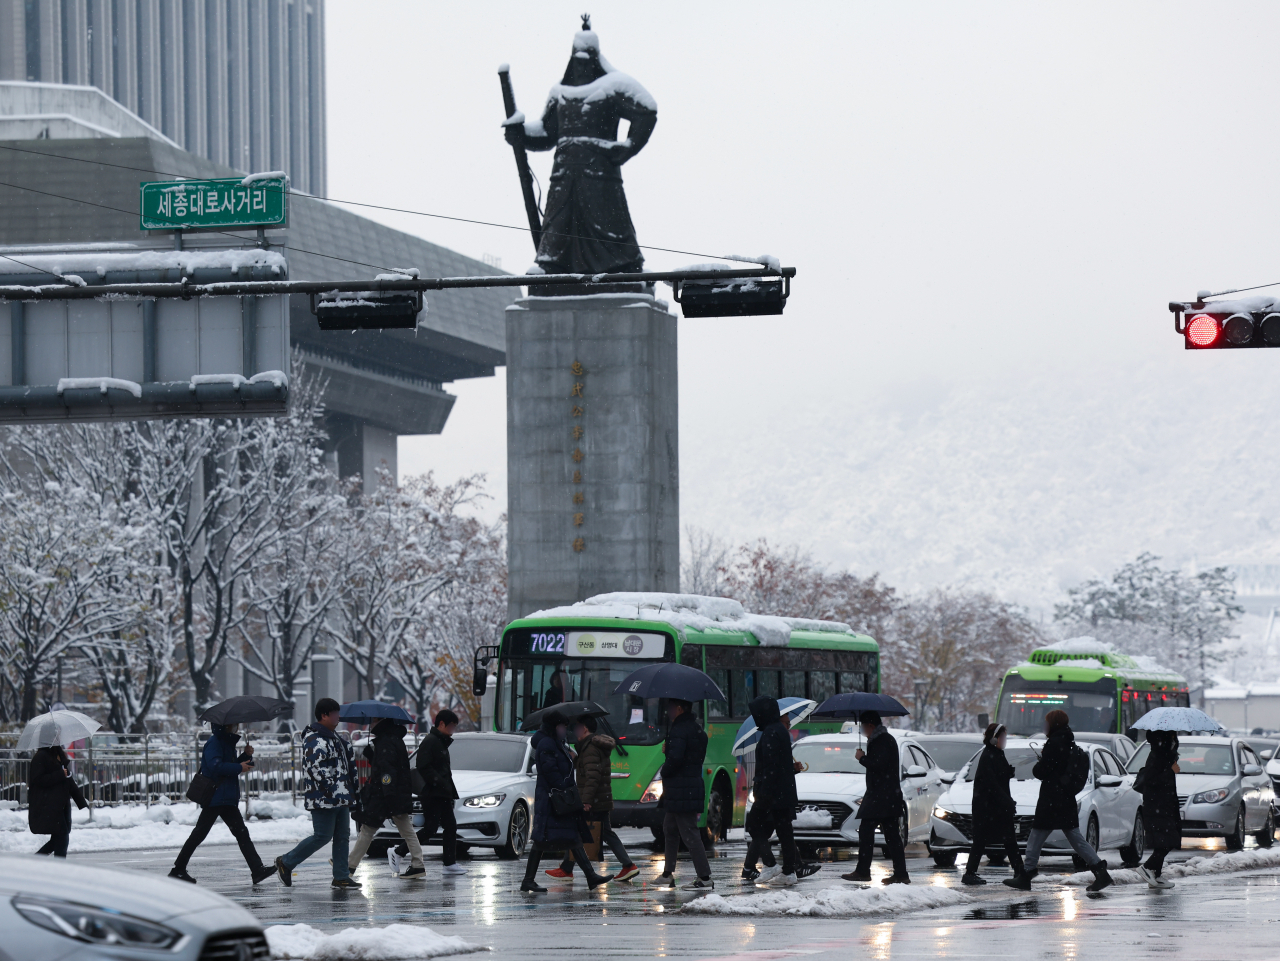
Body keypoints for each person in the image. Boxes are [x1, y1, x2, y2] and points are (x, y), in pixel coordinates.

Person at [1004, 709, 1112, 892]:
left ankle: (1026, 874)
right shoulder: (1069, 742)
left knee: (1036, 836)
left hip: (1052, 800)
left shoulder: (1054, 744)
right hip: (1065, 798)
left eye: (1046, 723)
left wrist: (1039, 765)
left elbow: (1041, 771)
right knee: (1076, 839)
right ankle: (1100, 872)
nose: (1044, 726)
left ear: (1053, 724)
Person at [521, 710, 614, 893]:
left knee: (571, 837)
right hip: (554, 799)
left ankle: (590, 876)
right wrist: (565, 786)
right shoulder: (547, 744)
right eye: (562, 726)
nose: (565, 730)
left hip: (559, 798)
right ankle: (528, 880)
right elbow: (551, 772)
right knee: (545, 839)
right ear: (555, 727)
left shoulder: (556, 743)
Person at [169, 724, 274, 884]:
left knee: (241, 833)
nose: (236, 727)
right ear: (226, 726)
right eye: (234, 725)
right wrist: (239, 766)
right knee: (200, 833)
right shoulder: (214, 743)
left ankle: (257, 870)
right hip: (216, 796)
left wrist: (245, 757)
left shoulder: (226, 742)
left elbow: (229, 765)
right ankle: (178, 869)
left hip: (226, 797)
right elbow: (215, 766)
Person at [275, 698, 360, 889]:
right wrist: (331, 789)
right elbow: (315, 768)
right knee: (322, 836)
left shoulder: (334, 737)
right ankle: (286, 862)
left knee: (342, 836)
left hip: (341, 797)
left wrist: (349, 791)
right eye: (335, 714)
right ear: (324, 715)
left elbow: (342, 766)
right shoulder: (315, 739)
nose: (338, 717)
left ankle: (341, 876)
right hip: (324, 798)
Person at [545, 715, 639, 883]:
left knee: (575, 831)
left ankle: (567, 869)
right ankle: (628, 865)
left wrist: (586, 801)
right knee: (605, 833)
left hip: (594, 801)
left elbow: (593, 777)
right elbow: (588, 770)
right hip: (599, 800)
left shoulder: (590, 748)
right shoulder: (590, 747)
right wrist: (575, 758)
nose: (575, 730)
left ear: (585, 729)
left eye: (578, 727)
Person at [743, 696, 817, 885]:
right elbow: (780, 765)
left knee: (753, 826)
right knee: (785, 832)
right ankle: (789, 872)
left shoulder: (770, 733)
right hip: (783, 792)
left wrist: (764, 795)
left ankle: (770, 864)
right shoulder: (780, 731)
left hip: (771, 793)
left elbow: (771, 767)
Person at [349, 716, 424, 879]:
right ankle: (418, 864)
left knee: (368, 829)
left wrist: (388, 795)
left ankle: (349, 865)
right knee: (406, 830)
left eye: (374, 720)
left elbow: (388, 771)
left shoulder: (385, 742)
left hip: (385, 795)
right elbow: (389, 765)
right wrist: (372, 757)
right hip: (394, 793)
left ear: (381, 722)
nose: (371, 723)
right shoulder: (393, 739)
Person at [842, 711, 909, 884]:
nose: (863, 730)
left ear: (870, 725)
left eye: (863, 727)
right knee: (891, 835)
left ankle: (864, 871)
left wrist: (862, 758)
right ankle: (900, 874)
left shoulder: (882, 741)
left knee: (869, 831)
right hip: (885, 795)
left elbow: (878, 765)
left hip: (881, 796)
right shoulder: (882, 740)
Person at [658, 699, 714, 890]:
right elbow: (692, 757)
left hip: (681, 789)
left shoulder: (679, 730)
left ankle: (705, 878)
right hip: (687, 788)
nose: (668, 711)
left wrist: (665, 768)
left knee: (689, 832)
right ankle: (667, 873)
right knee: (670, 828)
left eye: (670, 708)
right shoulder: (697, 730)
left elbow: (677, 759)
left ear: (680, 709)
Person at [961, 723, 1026, 886]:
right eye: (1002, 737)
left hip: (995, 807)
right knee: (984, 840)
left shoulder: (996, 753)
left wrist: (1008, 772)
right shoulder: (989, 755)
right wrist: (1007, 802)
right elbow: (992, 784)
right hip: (989, 808)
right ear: (994, 739)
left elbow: (997, 778)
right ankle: (970, 873)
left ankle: (1019, 872)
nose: (1004, 741)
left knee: (1007, 839)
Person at [413, 708, 465, 876]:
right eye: (451, 726)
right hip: (433, 793)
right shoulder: (431, 741)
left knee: (450, 826)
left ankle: (449, 863)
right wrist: (439, 782)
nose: (452, 730)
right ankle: (399, 851)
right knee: (431, 828)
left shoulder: (440, 741)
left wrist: (445, 786)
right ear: (441, 724)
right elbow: (423, 766)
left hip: (442, 792)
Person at [1135, 730, 1181, 889]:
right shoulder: (1158, 756)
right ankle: (1147, 867)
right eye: (1174, 737)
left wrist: (1172, 762)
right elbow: (1152, 780)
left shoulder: (1165, 755)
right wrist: (1170, 769)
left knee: (1165, 840)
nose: (1176, 739)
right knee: (1169, 840)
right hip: (1158, 805)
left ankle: (1156, 874)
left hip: (1164, 804)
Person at [27, 743, 86, 859]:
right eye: (56, 734)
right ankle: (58, 869)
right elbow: (38, 779)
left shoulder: (58, 755)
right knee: (62, 837)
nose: (59, 737)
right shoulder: (41, 757)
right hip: (48, 805)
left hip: (60, 805)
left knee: (58, 839)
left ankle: (34, 862)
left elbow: (68, 780)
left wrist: (81, 801)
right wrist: (59, 774)